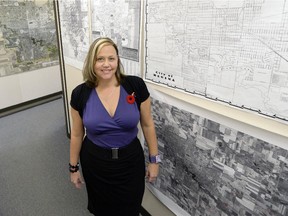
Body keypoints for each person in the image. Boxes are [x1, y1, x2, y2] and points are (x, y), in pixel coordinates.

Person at [69, 37, 160, 216]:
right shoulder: (80, 94)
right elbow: (77, 135)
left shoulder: (135, 85)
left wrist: (154, 161)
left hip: (130, 161)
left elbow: (148, 125)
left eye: (111, 58)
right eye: (100, 59)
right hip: (95, 162)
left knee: (131, 208)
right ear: (92, 62)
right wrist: (73, 168)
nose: (106, 64)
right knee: (102, 209)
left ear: (118, 60)